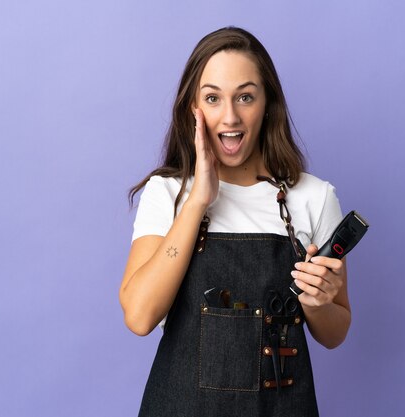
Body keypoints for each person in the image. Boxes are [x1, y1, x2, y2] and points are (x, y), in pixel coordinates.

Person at [120, 26, 351, 417]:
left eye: (245, 96)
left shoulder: (314, 197)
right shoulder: (168, 193)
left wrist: (317, 302)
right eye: (213, 98)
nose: (230, 116)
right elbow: (140, 316)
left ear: (267, 103)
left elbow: (335, 332)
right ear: (194, 108)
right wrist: (198, 202)